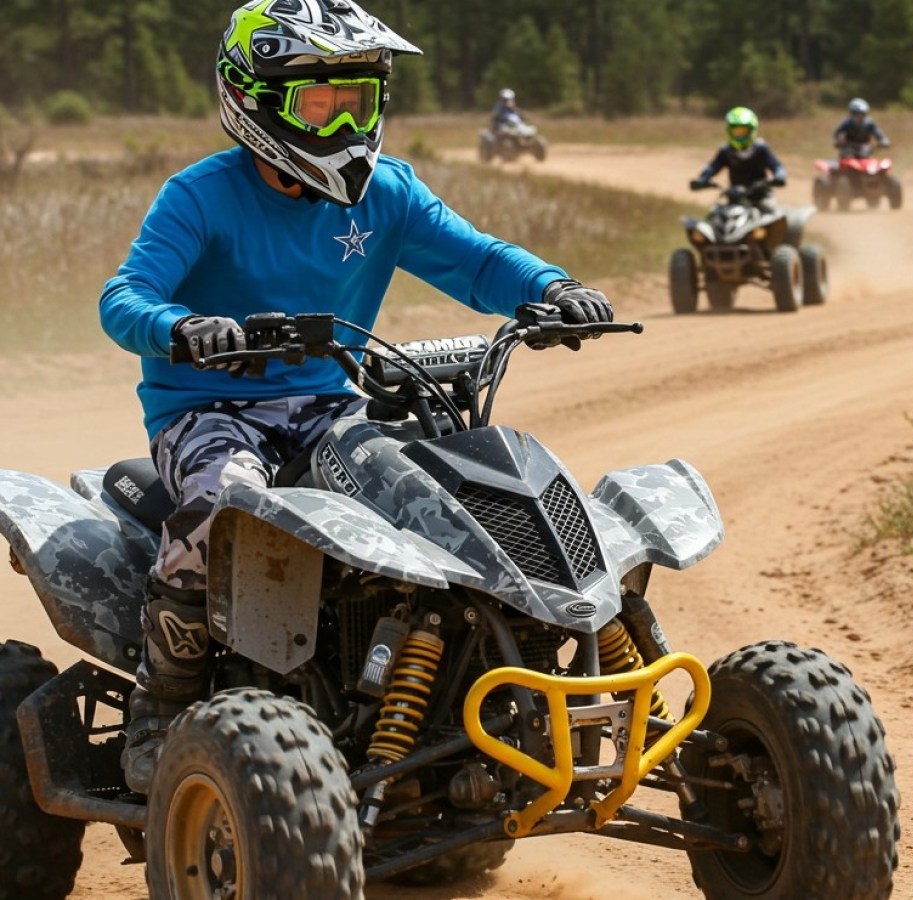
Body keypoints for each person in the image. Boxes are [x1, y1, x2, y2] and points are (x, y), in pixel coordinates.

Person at [99, 0, 613, 794]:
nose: (342, 124)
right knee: (223, 507)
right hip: (206, 412)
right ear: (256, 98)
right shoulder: (200, 196)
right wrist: (185, 327)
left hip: (328, 407)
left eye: (358, 101)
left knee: (431, 501)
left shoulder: (387, 193)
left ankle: (431, 699)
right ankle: (160, 713)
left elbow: (477, 261)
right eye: (318, 102)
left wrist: (552, 286)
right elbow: (124, 297)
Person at [689, 106, 786, 204]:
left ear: (752, 130)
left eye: (743, 132)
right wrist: (702, 179)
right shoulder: (726, 151)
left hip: (761, 197)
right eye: (736, 132)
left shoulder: (760, 148)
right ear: (729, 131)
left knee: (775, 218)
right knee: (717, 215)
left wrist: (779, 177)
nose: (740, 136)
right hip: (735, 197)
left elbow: (777, 166)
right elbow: (712, 167)